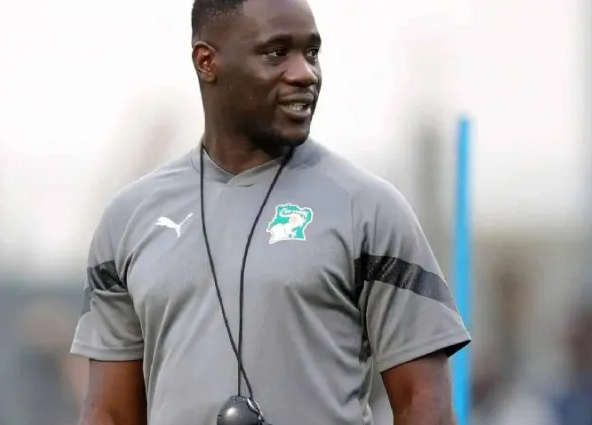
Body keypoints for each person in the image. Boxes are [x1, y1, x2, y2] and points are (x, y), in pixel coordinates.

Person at [70, 0, 471, 424]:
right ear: (207, 62)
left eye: (311, 52)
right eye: (276, 53)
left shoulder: (370, 210)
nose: (305, 73)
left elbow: (424, 403)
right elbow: (110, 412)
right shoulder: (128, 220)